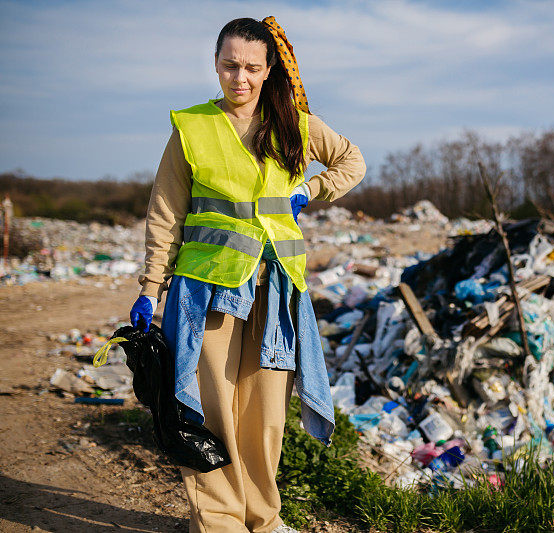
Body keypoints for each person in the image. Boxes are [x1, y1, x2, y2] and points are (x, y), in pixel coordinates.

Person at [130, 16, 366, 533]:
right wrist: (151, 288)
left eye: (252, 68)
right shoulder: (192, 127)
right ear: (216, 64)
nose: (240, 77)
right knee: (212, 410)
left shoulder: (294, 123)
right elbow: (165, 213)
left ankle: (263, 517)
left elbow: (352, 162)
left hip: (275, 289)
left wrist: (312, 189)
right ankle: (217, 521)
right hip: (207, 291)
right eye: (230, 65)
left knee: (265, 417)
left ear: (267, 70)